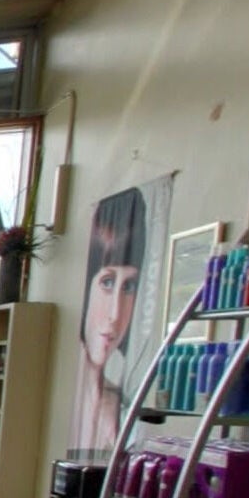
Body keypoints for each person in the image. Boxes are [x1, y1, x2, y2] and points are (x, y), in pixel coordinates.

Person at [70, 189, 146, 451]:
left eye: (128, 287)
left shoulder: (122, 412)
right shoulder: (73, 401)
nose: (115, 313)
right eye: (107, 282)